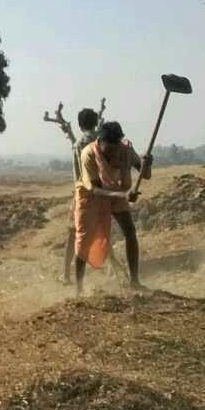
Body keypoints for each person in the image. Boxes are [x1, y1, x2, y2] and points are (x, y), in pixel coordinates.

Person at [72, 121, 152, 295]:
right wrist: (123, 195)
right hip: (91, 197)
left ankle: (135, 281)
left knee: (130, 232)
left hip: (116, 192)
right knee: (83, 241)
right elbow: (94, 189)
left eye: (117, 148)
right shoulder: (88, 154)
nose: (114, 153)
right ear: (100, 142)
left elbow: (146, 175)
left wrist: (147, 164)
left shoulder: (126, 150)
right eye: (110, 149)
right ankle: (79, 290)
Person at [61, 107, 103, 284]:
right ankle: (115, 273)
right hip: (102, 193)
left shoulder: (78, 145)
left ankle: (67, 276)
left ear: (80, 125)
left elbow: (78, 174)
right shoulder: (102, 142)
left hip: (83, 194)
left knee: (73, 235)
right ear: (95, 123)